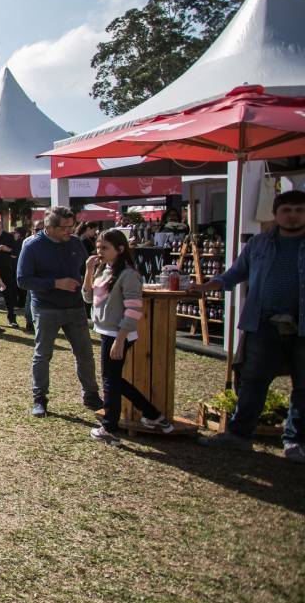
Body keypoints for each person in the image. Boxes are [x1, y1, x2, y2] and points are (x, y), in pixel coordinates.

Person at [195, 190, 304, 462]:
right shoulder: (259, 244)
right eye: (287, 210)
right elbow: (236, 273)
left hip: (302, 324)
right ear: (276, 214)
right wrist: (213, 284)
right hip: (262, 322)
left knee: (302, 384)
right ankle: (239, 435)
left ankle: (295, 441)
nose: (292, 216)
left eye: (299, 210)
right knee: (252, 380)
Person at [82, 229, 173, 444]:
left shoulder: (129, 274)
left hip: (118, 334)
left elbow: (133, 310)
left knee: (110, 382)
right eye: (98, 247)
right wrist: (88, 271)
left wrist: (121, 338)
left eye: (104, 247)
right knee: (114, 380)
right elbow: (87, 298)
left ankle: (110, 427)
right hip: (107, 332)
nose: (99, 251)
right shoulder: (104, 270)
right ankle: (153, 415)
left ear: (120, 249)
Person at [18, 206, 101, 418]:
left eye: (72, 226)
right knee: (43, 354)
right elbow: (23, 280)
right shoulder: (32, 245)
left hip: (75, 306)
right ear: (49, 227)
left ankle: (91, 394)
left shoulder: (75, 243)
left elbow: (83, 271)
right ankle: (40, 398)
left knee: (85, 353)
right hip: (46, 307)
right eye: (65, 227)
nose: (70, 231)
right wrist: (56, 283)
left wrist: (90, 274)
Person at [0, 219, 21, 327]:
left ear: (2, 228)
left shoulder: (8, 237)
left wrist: (7, 249)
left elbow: (16, 253)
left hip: (6, 268)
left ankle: (11, 318)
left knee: (9, 294)